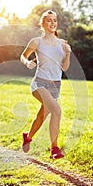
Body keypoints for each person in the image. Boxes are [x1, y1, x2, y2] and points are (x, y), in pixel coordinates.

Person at [20, 10, 71, 159]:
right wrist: (28, 62)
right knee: (56, 110)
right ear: (42, 24)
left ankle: (28, 136)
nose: (53, 23)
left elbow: (65, 68)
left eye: (54, 20)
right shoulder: (37, 42)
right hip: (39, 83)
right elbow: (23, 56)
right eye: (49, 20)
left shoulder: (62, 44)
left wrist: (67, 54)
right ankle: (54, 148)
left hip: (56, 85)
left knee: (41, 116)